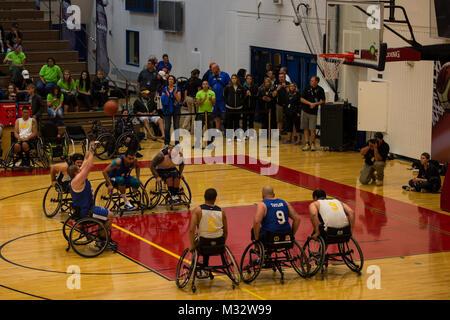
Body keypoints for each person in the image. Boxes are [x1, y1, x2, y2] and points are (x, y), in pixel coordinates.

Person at [67, 142, 115, 246]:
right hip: (87, 211)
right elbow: (88, 166)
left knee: (105, 214)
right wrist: (93, 154)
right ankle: (101, 240)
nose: (81, 168)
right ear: (76, 173)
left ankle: (100, 232)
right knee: (110, 215)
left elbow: (85, 161)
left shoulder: (75, 179)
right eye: (79, 169)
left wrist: (91, 148)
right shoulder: (77, 180)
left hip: (85, 208)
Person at [188, 188, 228, 269]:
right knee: (210, 238)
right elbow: (226, 232)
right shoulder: (222, 212)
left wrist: (192, 246)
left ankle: (197, 265)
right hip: (219, 244)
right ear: (215, 198)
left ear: (204, 197)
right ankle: (205, 264)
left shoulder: (198, 210)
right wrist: (222, 243)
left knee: (198, 239)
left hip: (203, 244)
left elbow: (191, 230)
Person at [300, 76, 325, 151]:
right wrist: (309, 103)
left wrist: (315, 104)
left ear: (317, 82)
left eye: (312, 81)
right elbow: (301, 99)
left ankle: (313, 143)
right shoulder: (307, 88)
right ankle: (307, 143)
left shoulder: (320, 89)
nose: (311, 82)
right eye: (311, 80)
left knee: (312, 129)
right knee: (305, 128)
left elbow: (323, 101)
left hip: (313, 113)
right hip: (305, 111)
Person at [160, 75, 182, 147]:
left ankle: (177, 142)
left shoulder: (177, 88)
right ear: (168, 80)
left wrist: (175, 94)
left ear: (174, 81)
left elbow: (179, 100)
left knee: (176, 126)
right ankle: (166, 143)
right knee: (167, 127)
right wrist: (168, 96)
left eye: (172, 79)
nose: (171, 80)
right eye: (169, 79)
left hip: (176, 109)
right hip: (167, 109)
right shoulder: (164, 89)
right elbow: (163, 100)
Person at [208, 63, 231, 131]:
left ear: (217, 68)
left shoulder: (225, 75)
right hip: (215, 100)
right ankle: (217, 131)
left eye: (212, 69)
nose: (211, 71)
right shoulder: (211, 76)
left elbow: (229, 86)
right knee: (216, 117)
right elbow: (210, 87)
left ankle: (226, 131)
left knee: (224, 116)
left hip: (223, 100)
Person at [223, 74, 246, 141]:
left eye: (235, 78)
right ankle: (229, 137)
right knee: (229, 122)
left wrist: (241, 102)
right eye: (232, 78)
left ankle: (237, 136)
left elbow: (244, 96)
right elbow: (224, 96)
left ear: (237, 79)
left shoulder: (241, 87)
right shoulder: (227, 87)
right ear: (231, 79)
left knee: (237, 123)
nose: (234, 79)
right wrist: (228, 102)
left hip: (238, 108)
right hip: (229, 108)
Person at [194, 80, 216, 148]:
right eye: (203, 84)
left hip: (209, 113)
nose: (205, 85)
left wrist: (210, 100)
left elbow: (213, 104)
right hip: (201, 114)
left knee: (210, 129)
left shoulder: (212, 93)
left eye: (206, 84)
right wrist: (204, 99)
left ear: (208, 85)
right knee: (198, 130)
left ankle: (210, 144)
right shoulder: (199, 93)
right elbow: (198, 104)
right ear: (202, 85)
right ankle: (198, 143)